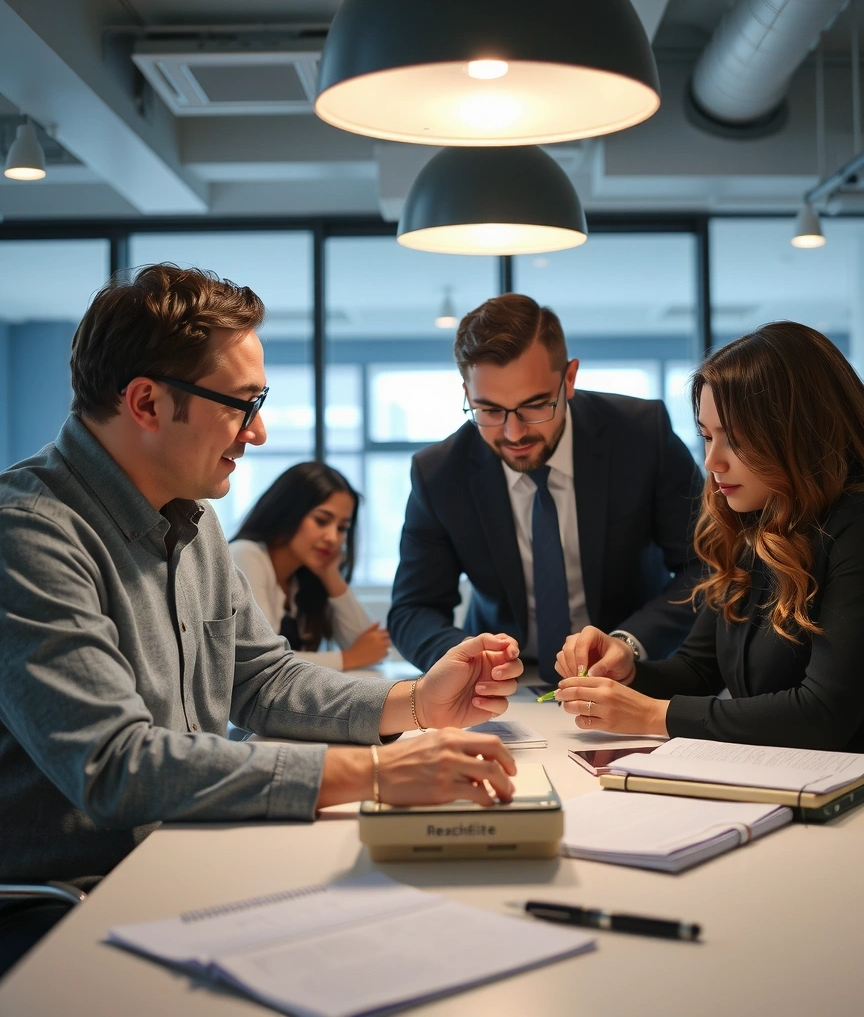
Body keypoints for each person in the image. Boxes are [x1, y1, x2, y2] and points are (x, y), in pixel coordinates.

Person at [0, 265, 521, 970]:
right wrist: (373, 772)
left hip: (189, 859)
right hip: (73, 908)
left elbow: (262, 677)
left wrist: (415, 703)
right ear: (148, 402)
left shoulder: (194, 519)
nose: (260, 431)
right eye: (244, 404)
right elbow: (116, 767)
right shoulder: (29, 534)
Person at [554, 321, 864, 806]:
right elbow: (699, 668)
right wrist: (627, 670)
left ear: (799, 432)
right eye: (706, 436)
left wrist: (653, 715)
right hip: (780, 791)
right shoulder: (760, 518)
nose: (713, 460)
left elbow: (822, 714)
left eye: (733, 439)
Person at [388, 293, 704, 683]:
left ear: (569, 379)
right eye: (489, 410)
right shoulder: (438, 473)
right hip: (506, 687)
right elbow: (413, 609)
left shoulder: (640, 435)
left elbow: (706, 565)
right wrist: (468, 662)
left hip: (631, 676)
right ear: (467, 394)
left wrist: (629, 642)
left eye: (535, 406)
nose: (513, 433)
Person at [230, 462, 391, 671]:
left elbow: (372, 648)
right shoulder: (245, 554)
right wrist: (348, 658)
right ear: (288, 511)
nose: (333, 538)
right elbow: (261, 660)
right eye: (322, 521)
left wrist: (330, 574)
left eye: (342, 528)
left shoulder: (303, 579)